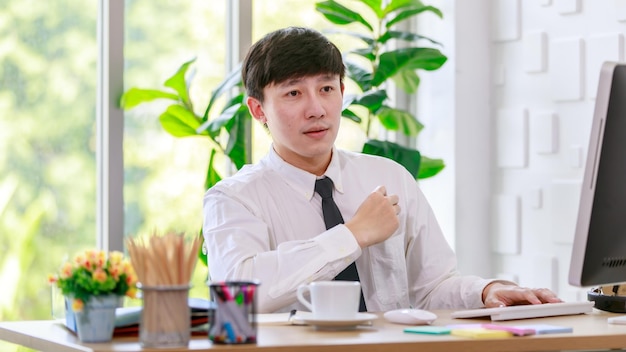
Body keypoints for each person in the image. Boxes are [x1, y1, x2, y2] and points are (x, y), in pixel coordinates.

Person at [202, 26, 561, 313]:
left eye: (327, 88)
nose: (317, 109)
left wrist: (487, 291)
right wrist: (352, 235)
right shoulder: (234, 198)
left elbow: (431, 288)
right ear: (258, 110)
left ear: (342, 91)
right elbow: (238, 298)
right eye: (293, 93)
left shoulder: (388, 177)